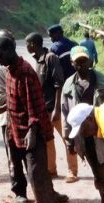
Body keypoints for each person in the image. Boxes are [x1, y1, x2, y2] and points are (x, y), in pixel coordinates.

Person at [0, 36, 67, 203]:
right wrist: (0, 109)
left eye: (0, 55)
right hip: (17, 130)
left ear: (10, 50)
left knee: (36, 175)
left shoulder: (25, 73)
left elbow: (35, 106)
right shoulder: (9, 71)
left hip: (32, 132)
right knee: (36, 173)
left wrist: (32, 132)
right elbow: (16, 100)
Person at [61, 46, 104, 203]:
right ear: (72, 63)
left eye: (84, 61)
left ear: (90, 61)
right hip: (82, 136)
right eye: (77, 62)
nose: (81, 65)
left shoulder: (103, 83)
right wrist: (68, 139)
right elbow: (65, 113)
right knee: (95, 168)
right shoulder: (69, 86)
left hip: (102, 134)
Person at [26, 32, 78, 182]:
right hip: (44, 109)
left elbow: (59, 83)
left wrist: (57, 108)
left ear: (34, 44)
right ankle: (51, 170)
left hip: (54, 108)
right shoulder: (37, 60)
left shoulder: (50, 58)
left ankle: (72, 171)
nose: (27, 47)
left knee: (67, 139)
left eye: (28, 44)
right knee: (48, 139)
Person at [0, 29, 28, 203]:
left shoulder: (19, 65)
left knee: (33, 159)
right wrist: (17, 99)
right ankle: (19, 192)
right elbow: (0, 99)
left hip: (26, 119)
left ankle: (46, 192)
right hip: (9, 121)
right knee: (15, 159)